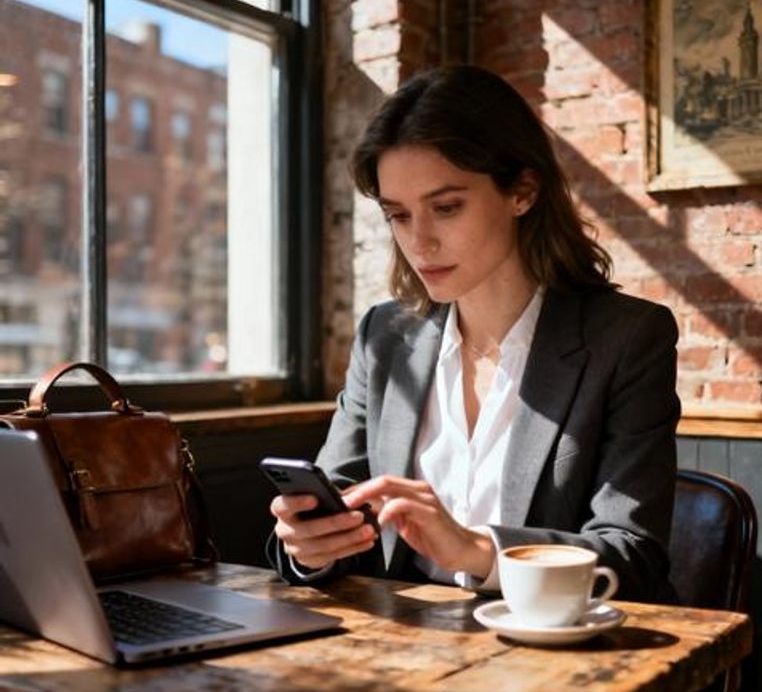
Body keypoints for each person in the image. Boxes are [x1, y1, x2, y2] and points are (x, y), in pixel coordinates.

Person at [267, 65, 680, 602]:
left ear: (523, 191)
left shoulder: (627, 339)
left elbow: (634, 555)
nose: (420, 242)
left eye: (446, 207)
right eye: (398, 214)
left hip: (558, 655)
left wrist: (475, 550)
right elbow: (337, 504)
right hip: (404, 649)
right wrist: (307, 546)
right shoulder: (383, 338)